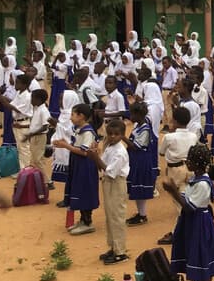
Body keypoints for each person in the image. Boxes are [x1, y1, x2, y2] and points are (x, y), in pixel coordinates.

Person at [165, 143, 214, 281]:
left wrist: (173, 192)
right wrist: (177, 192)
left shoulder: (203, 184)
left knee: (203, 260)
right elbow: (186, 198)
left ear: (197, 163)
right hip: (191, 223)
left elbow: (190, 207)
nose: (186, 162)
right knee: (195, 258)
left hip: (199, 223)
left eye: (189, 159)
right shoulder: (195, 179)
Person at [54, 104, 100, 235]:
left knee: (84, 191)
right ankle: (83, 219)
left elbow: (84, 152)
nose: (70, 118)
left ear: (81, 116)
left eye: (73, 115)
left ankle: (87, 222)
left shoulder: (88, 132)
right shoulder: (79, 129)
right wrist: (65, 144)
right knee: (78, 190)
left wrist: (66, 146)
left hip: (85, 166)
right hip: (78, 164)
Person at [90, 119, 130, 265]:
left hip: (116, 183)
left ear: (122, 135)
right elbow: (102, 165)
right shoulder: (110, 147)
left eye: (116, 134)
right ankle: (113, 247)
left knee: (117, 216)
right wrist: (94, 154)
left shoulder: (120, 152)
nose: (112, 136)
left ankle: (121, 252)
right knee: (110, 216)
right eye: (110, 134)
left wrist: (95, 157)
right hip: (108, 182)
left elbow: (110, 171)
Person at [157, 106, 197, 245]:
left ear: (174, 120)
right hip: (190, 168)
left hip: (175, 170)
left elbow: (161, 152)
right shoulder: (193, 135)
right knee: (188, 197)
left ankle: (179, 232)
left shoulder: (169, 137)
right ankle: (184, 230)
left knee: (179, 201)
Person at [125, 102, 156, 226]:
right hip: (136, 159)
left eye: (132, 113)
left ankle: (142, 215)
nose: (130, 116)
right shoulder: (138, 126)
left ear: (138, 115)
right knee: (136, 187)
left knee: (140, 186)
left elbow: (136, 146)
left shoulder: (145, 129)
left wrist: (122, 137)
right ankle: (140, 213)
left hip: (141, 160)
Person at [23, 89, 50, 175]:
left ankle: (47, 181)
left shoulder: (43, 110)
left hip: (40, 137)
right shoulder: (37, 109)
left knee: (38, 159)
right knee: (35, 159)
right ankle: (37, 178)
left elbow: (45, 126)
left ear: (38, 100)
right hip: (35, 137)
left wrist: (31, 134)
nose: (31, 100)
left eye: (32, 98)